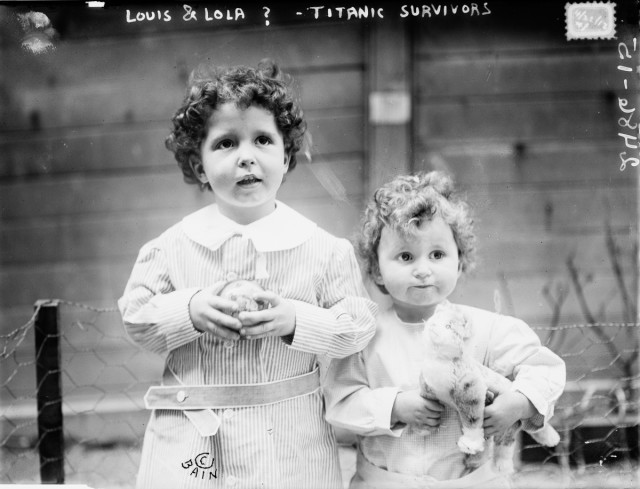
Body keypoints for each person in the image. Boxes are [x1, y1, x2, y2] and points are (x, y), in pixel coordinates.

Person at [118, 60, 377, 489]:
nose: (246, 157)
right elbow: (136, 315)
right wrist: (190, 309)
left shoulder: (324, 250)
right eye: (225, 144)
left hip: (291, 437)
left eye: (262, 140)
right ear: (199, 166)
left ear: (286, 154)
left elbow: (357, 325)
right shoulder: (170, 247)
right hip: (192, 436)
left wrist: (296, 319)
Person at [324, 171, 566, 488]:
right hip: (385, 482)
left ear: (459, 261)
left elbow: (545, 368)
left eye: (437, 255)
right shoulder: (364, 335)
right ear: (377, 270)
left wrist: (518, 403)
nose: (423, 270)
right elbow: (341, 400)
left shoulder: (488, 329)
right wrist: (393, 407)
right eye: (405, 256)